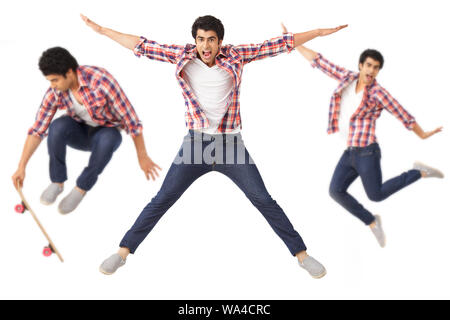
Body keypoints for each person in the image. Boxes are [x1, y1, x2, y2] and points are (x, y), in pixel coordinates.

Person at [82, 14, 347, 278]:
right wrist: (104, 30)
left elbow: (281, 44)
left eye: (211, 40)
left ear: (220, 42)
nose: (205, 46)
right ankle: (123, 252)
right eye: (200, 39)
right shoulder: (181, 55)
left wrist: (320, 32)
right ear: (194, 40)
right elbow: (141, 44)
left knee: (263, 199)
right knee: (163, 198)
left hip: (230, 145)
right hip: (195, 145)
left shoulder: (236, 56)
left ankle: (301, 255)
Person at [283, 23, 443, 247]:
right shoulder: (347, 78)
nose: (371, 71)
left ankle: (417, 172)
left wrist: (424, 134)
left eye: (376, 68)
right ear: (360, 65)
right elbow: (318, 61)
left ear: (378, 71)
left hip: (367, 152)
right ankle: (371, 221)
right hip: (350, 152)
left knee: (376, 195)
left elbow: (403, 114)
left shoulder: (378, 93)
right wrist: (293, 42)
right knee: (335, 191)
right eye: (368, 65)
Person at [12, 47, 161, 214]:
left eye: (55, 80)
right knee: (57, 126)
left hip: (106, 132)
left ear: (69, 73)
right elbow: (37, 130)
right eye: (50, 81)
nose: (52, 85)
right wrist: (21, 167)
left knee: (109, 139)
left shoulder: (101, 81)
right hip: (79, 130)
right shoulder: (55, 91)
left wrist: (142, 156)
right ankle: (57, 182)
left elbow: (131, 121)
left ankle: (80, 189)